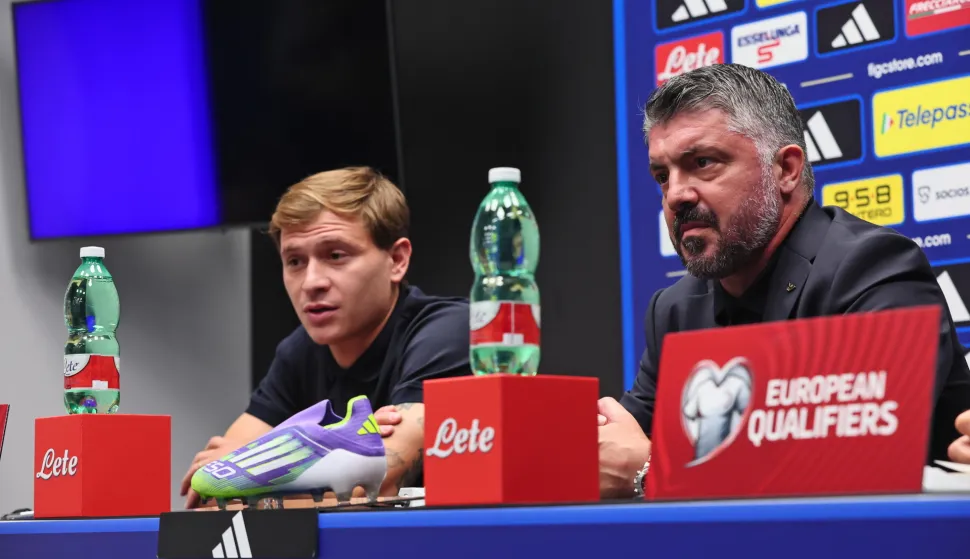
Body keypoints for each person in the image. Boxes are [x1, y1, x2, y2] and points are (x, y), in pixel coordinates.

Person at [596, 63, 970, 498]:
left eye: (702, 163)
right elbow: (619, 442)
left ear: (786, 170)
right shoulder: (674, 309)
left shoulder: (873, 269)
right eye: (663, 176)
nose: (676, 194)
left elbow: (848, 470)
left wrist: (651, 473)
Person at [179, 166, 471, 508]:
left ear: (396, 260)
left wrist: (254, 463)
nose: (311, 282)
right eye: (295, 261)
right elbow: (210, 492)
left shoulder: (448, 331)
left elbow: (373, 483)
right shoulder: (298, 351)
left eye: (335, 255)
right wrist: (335, 445)